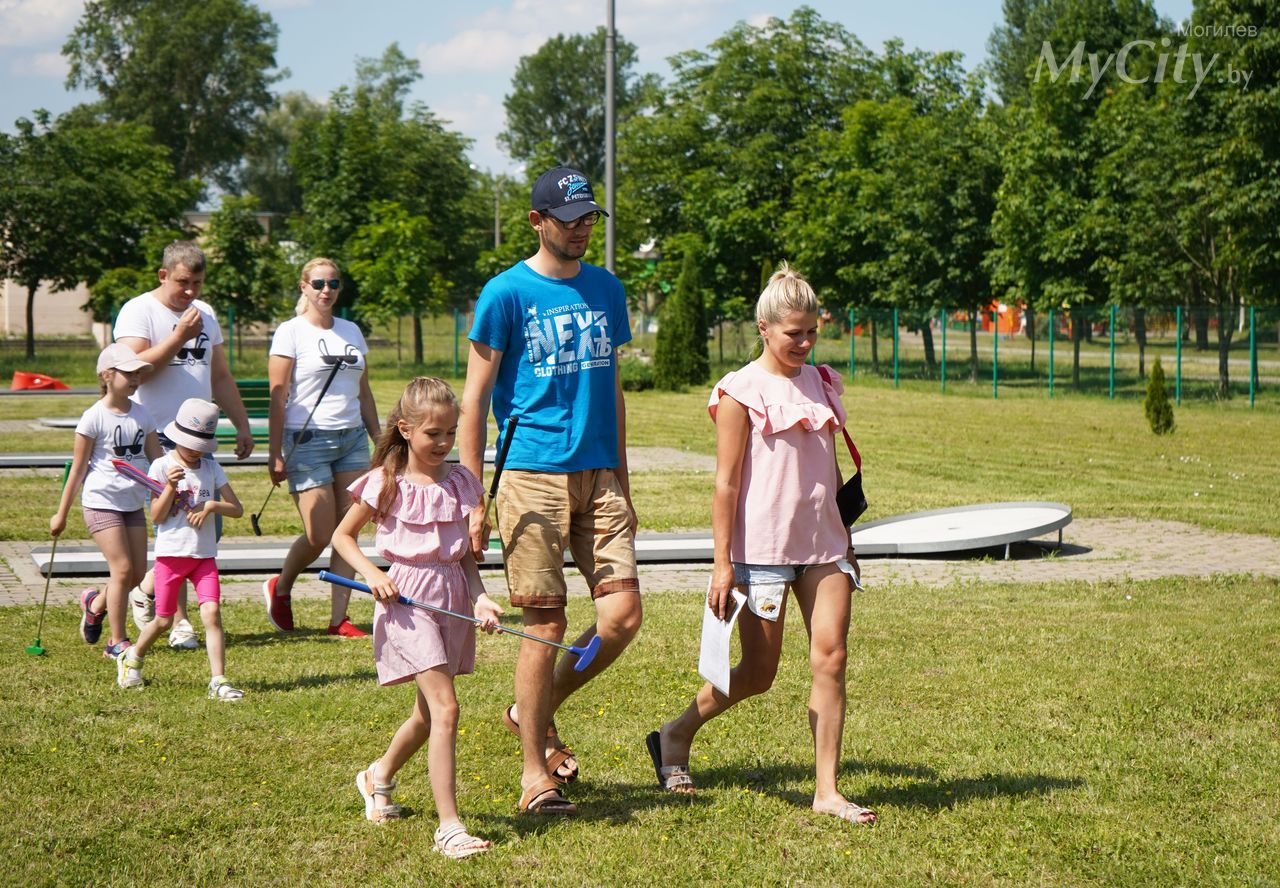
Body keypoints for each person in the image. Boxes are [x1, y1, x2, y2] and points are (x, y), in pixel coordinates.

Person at [646, 264, 877, 827]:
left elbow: (828, 466)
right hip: (761, 553)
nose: (805, 342)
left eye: (812, 331)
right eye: (794, 332)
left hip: (825, 546)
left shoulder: (821, 382)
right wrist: (721, 564)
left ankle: (827, 791)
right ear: (764, 327)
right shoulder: (740, 391)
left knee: (832, 658)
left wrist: (845, 534)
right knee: (757, 673)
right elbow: (725, 483)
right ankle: (675, 734)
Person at [459, 165, 642, 816]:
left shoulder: (607, 289)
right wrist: (472, 498)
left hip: (599, 474)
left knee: (623, 617)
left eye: (589, 217)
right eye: (569, 220)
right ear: (537, 222)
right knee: (548, 622)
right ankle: (535, 775)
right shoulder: (505, 293)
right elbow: (474, 400)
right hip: (531, 473)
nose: (582, 229)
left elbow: (612, 391)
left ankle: (529, 712)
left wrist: (623, 480)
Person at [330, 377, 501, 857]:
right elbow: (342, 537)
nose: (444, 442)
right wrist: (372, 574)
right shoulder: (386, 482)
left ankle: (378, 775)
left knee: (427, 715)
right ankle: (449, 827)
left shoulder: (460, 480)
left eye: (450, 433)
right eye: (433, 434)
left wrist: (480, 598)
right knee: (446, 708)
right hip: (405, 602)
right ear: (406, 429)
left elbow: (464, 556)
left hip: (452, 597)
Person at [114, 241, 255, 650]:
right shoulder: (138, 311)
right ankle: (179, 622)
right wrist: (178, 336)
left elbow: (221, 376)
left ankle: (137, 592)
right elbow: (132, 372)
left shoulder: (205, 313)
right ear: (163, 275)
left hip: (200, 437)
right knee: (174, 525)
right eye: (182, 282)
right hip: (156, 436)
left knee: (206, 526)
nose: (190, 291)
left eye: (197, 283)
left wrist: (241, 425)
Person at [261, 257, 380, 636]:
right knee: (319, 534)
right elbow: (277, 397)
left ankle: (338, 619)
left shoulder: (351, 330)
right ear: (304, 287)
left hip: (351, 438)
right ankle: (280, 587)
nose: (326, 290)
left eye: (333, 283)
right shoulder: (290, 332)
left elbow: (364, 393)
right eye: (318, 283)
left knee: (349, 530)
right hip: (307, 440)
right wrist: (274, 452)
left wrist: (380, 440)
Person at [116, 398, 246, 699]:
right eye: (190, 444)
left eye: (201, 445)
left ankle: (219, 681)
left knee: (212, 614)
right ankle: (132, 657)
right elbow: (157, 516)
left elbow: (237, 509)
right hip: (171, 556)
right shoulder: (162, 466)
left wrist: (210, 505)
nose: (195, 450)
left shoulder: (211, 468)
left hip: (204, 557)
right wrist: (171, 487)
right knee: (163, 620)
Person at [49, 343, 163, 660]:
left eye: (138, 373)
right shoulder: (93, 417)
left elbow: (157, 461)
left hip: (132, 503)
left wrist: (171, 487)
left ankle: (95, 604)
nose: (136, 378)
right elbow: (78, 469)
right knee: (122, 570)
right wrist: (61, 514)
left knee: (136, 575)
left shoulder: (143, 414)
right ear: (107, 375)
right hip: (101, 502)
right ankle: (117, 642)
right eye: (129, 373)